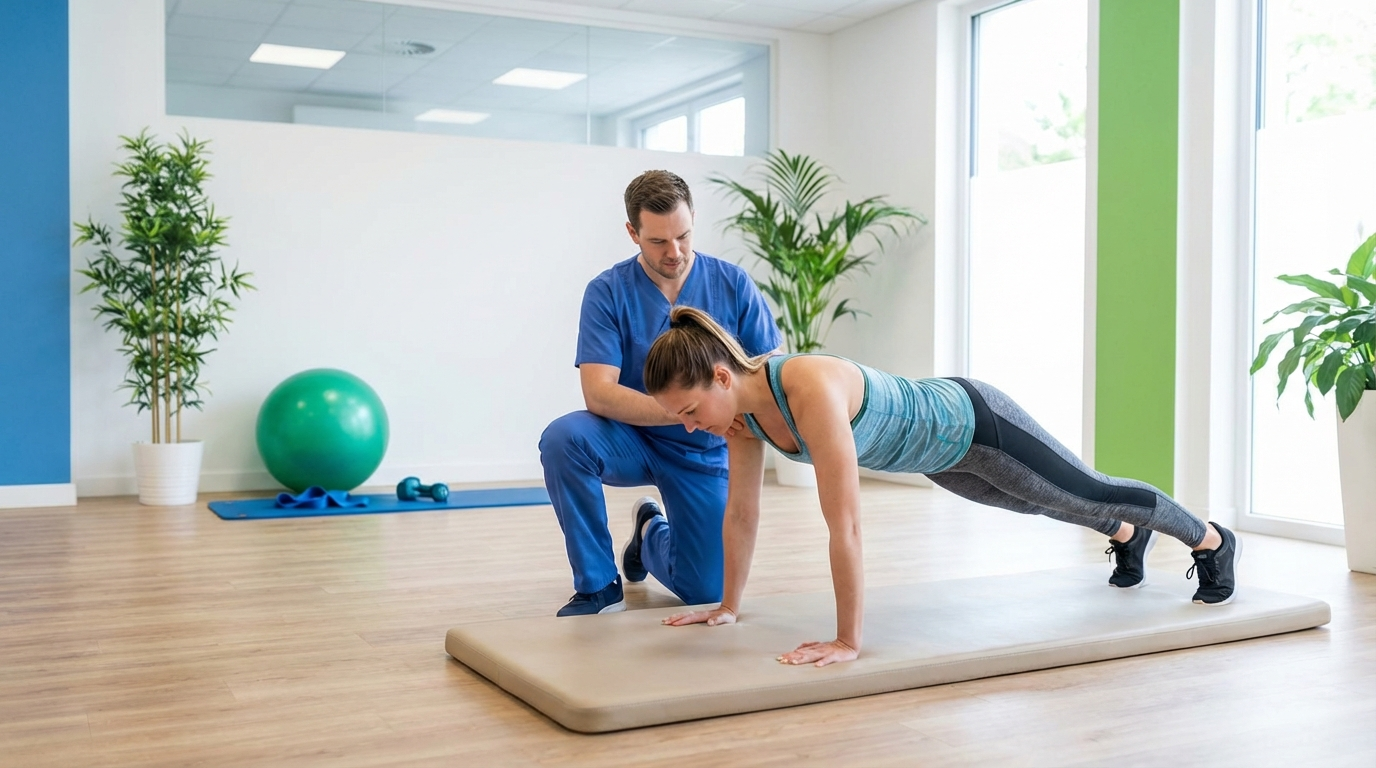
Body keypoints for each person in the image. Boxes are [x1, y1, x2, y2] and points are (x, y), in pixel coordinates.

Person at [642, 305, 1242, 667]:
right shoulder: (741, 422)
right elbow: (741, 517)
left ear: (722, 376)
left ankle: (1211, 540)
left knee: (1083, 487)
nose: (693, 425)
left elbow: (845, 525)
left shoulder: (807, 386)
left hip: (974, 421)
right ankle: (1127, 534)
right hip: (937, 458)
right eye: (682, 418)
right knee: (1039, 503)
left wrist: (847, 640)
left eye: (692, 409)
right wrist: (726, 607)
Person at [539, 171, 782, 617]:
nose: (675, 253)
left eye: (684, 236)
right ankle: (598, 585)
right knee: (564, 438)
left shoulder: (733, 284)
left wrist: (714, 419)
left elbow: (769, 375)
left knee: (705, 589)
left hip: (705, 450)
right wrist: (687, 411)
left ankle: (650, 533)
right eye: (657, 242)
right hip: (631, 438)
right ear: (633, 233)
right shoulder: (607, 292)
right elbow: (599, 394)